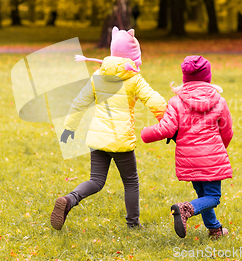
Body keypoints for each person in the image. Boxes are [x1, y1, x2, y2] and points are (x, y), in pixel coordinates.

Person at [51, 26, 167, 230]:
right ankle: (133, 224)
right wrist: (167, 126)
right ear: (133, 55)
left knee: (96, 180)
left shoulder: (98, 75)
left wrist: (69, 127)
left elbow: (79, 102)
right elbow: (156, 102)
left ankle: (69, 200)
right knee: (130, 182)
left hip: (97, 139)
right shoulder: (133, 79)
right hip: (122, 141)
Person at [141, 55, 233, 240]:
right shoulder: (219, 101)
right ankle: (186, 209)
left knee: (202, 194)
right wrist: (220, 150)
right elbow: (227, 131)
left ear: (185, 78)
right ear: (208, 77)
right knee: (213, 197)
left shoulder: (176, 101)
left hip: (189, 159)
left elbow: (167, 128)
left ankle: (215, 229)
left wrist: (145, 133)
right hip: (213, 157)